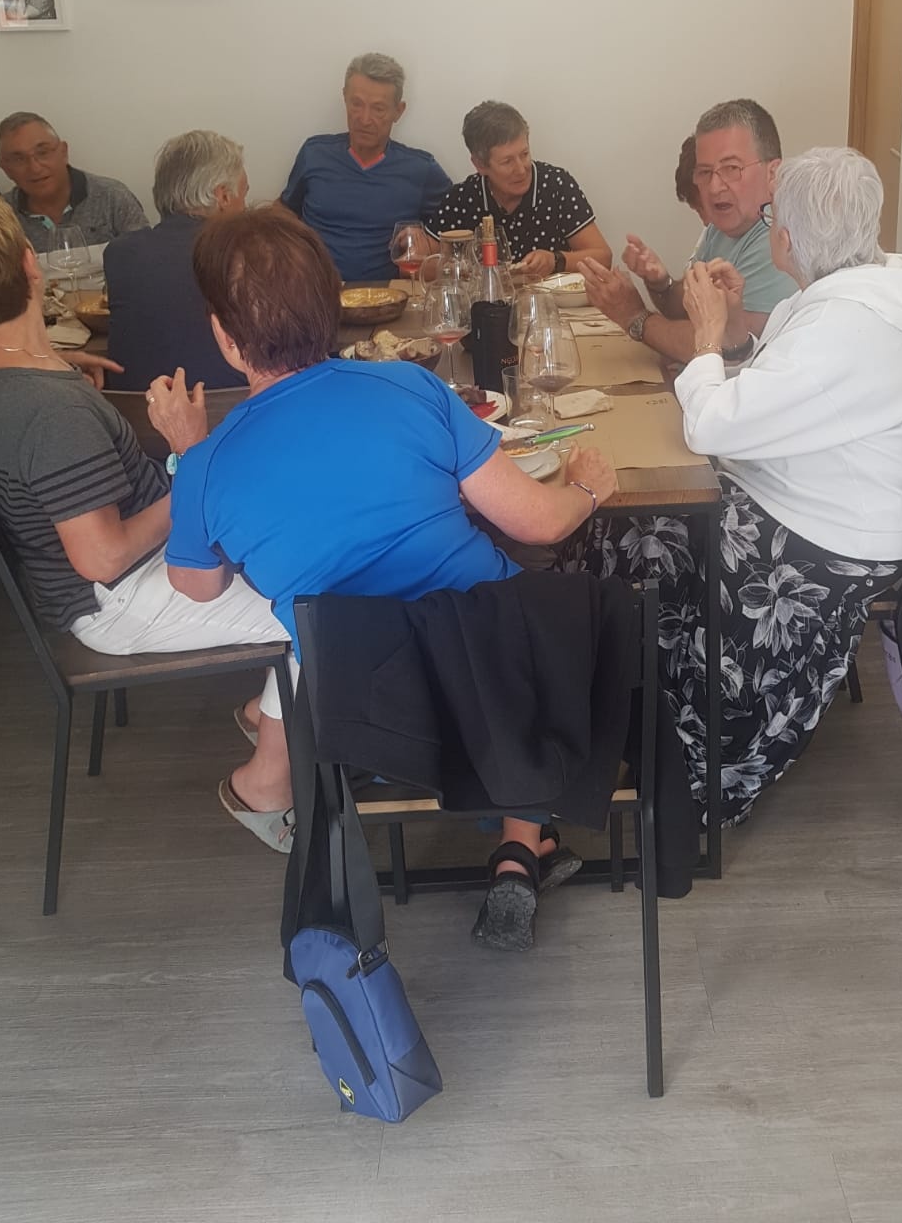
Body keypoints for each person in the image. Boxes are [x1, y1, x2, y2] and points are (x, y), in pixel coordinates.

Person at [144, 208, 619, 947]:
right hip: (496, 677)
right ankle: (520, 845)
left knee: (337, 637)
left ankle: (501, 838)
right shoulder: (411, 387)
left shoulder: (206, 466)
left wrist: (188, 452)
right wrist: (589, 488)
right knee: (533, 608)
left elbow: (197, 588)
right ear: (334, 305)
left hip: (369, 708)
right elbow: (538, 523)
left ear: (225, 337)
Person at [566, 147, 902, 827]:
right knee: (625, 529)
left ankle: (679, 760)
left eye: (771, 216)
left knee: (636, 536)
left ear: (785, 238)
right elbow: (770, 384)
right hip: (808, 503)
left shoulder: (847, 325)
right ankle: (621, 714)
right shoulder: (852, 292)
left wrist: (709, 333)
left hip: (830, 541)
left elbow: (712, 426)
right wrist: (735, 325)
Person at [0, 197, 292, 831]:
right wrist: (190, 461)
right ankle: (265, 785)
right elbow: (102, 557)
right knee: (329, 598)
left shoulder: (25, 383)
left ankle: (269, 711)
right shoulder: (51, 414)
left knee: (300, 543)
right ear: (31, 265)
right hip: (118, 597)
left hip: (105, 584)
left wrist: (60, 366)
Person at [579, 98, 790, 365]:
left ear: (773, 173)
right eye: (705, 172)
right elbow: (690, 310)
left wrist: (634, 317)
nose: (714, 187)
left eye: (731, 169)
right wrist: (660, 283)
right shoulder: (721, 227)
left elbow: (725, 349)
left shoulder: (778, 237)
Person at [279, 53, 452, 281]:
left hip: (391, 295)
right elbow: (283, 211)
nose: (364, 119)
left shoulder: (421, 169)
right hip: (319, 291)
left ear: (398, 111)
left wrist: (427, 242)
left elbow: (457, 232)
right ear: (344, 98)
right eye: (356, 104)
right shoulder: (314, 154)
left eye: (378, 109)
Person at [103, 131, 250, 391]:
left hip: (138, 412)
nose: (245, 207)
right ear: (223, 197)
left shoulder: (119, 254)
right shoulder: (248, 253)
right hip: (236, 410)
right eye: (243, 195)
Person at [427, 101, 612, 278]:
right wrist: (459, 268)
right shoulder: (462, 199)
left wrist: (555, 260)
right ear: (480, 165)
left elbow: (603, 257)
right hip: (484, 299)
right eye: (507, 161)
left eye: (524, 154)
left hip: (549, 299)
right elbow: (422, 265)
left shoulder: (556, 185)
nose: (521, 169)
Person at [0, 112, 148, 253]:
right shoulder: (1, 217)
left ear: (63, 152)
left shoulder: (112, 197)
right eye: (18, 159)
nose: (35, 168)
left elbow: (146, 258)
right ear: (4, 168)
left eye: (43, 153)